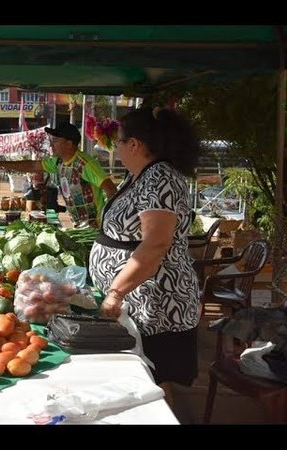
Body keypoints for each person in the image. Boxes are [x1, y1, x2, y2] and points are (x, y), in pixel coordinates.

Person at [88, 106, 201, 408]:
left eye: (119, 142)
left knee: (155, 382)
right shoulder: (141, 175)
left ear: (134, 144)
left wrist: (115, 293)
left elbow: (155, 244)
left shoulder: (160, 179)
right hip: (141, 301)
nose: (117, 147)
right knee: (147, 380)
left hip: (158, 305)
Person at [0, 123, 117, 227]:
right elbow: (32, 165)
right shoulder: (58, 162)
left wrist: (105, 220)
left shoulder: (86, 164)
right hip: (78, 225)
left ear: (69, 143)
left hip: (96, 227)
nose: (52, 143)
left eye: (56, 140)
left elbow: (111, 189)